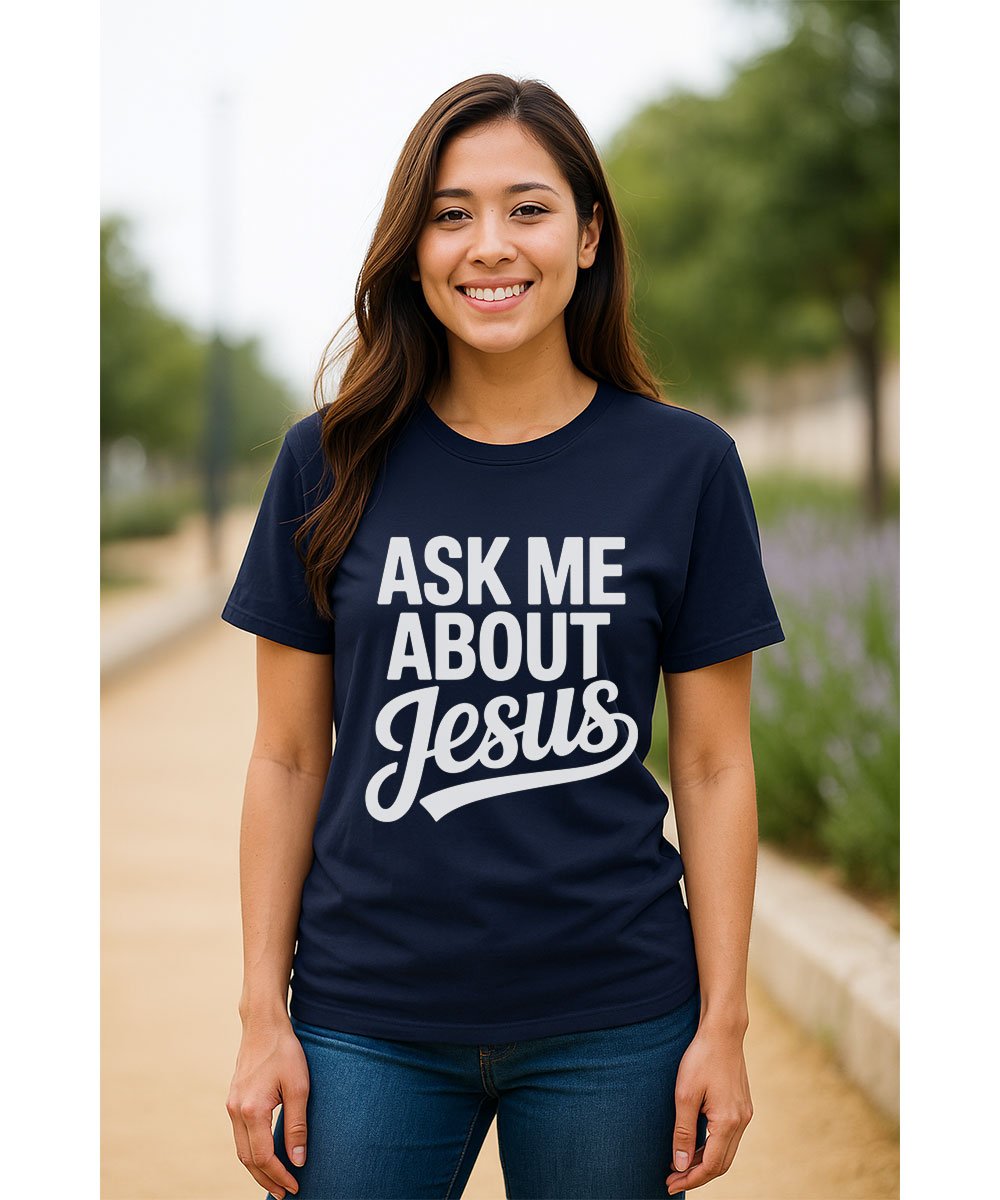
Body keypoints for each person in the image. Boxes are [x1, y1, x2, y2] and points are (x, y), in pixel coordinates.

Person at [222, 73, 785, 1200]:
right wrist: (258, 1017)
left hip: (615, 1019)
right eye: (449, 213)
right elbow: (287, 756)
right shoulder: (325, 463)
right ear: (413, 246)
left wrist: (722, 1025)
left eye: (527, 209)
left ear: (586, 236)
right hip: (365, 1018)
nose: (489, 245)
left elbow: (715, 765)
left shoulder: (684, 468)